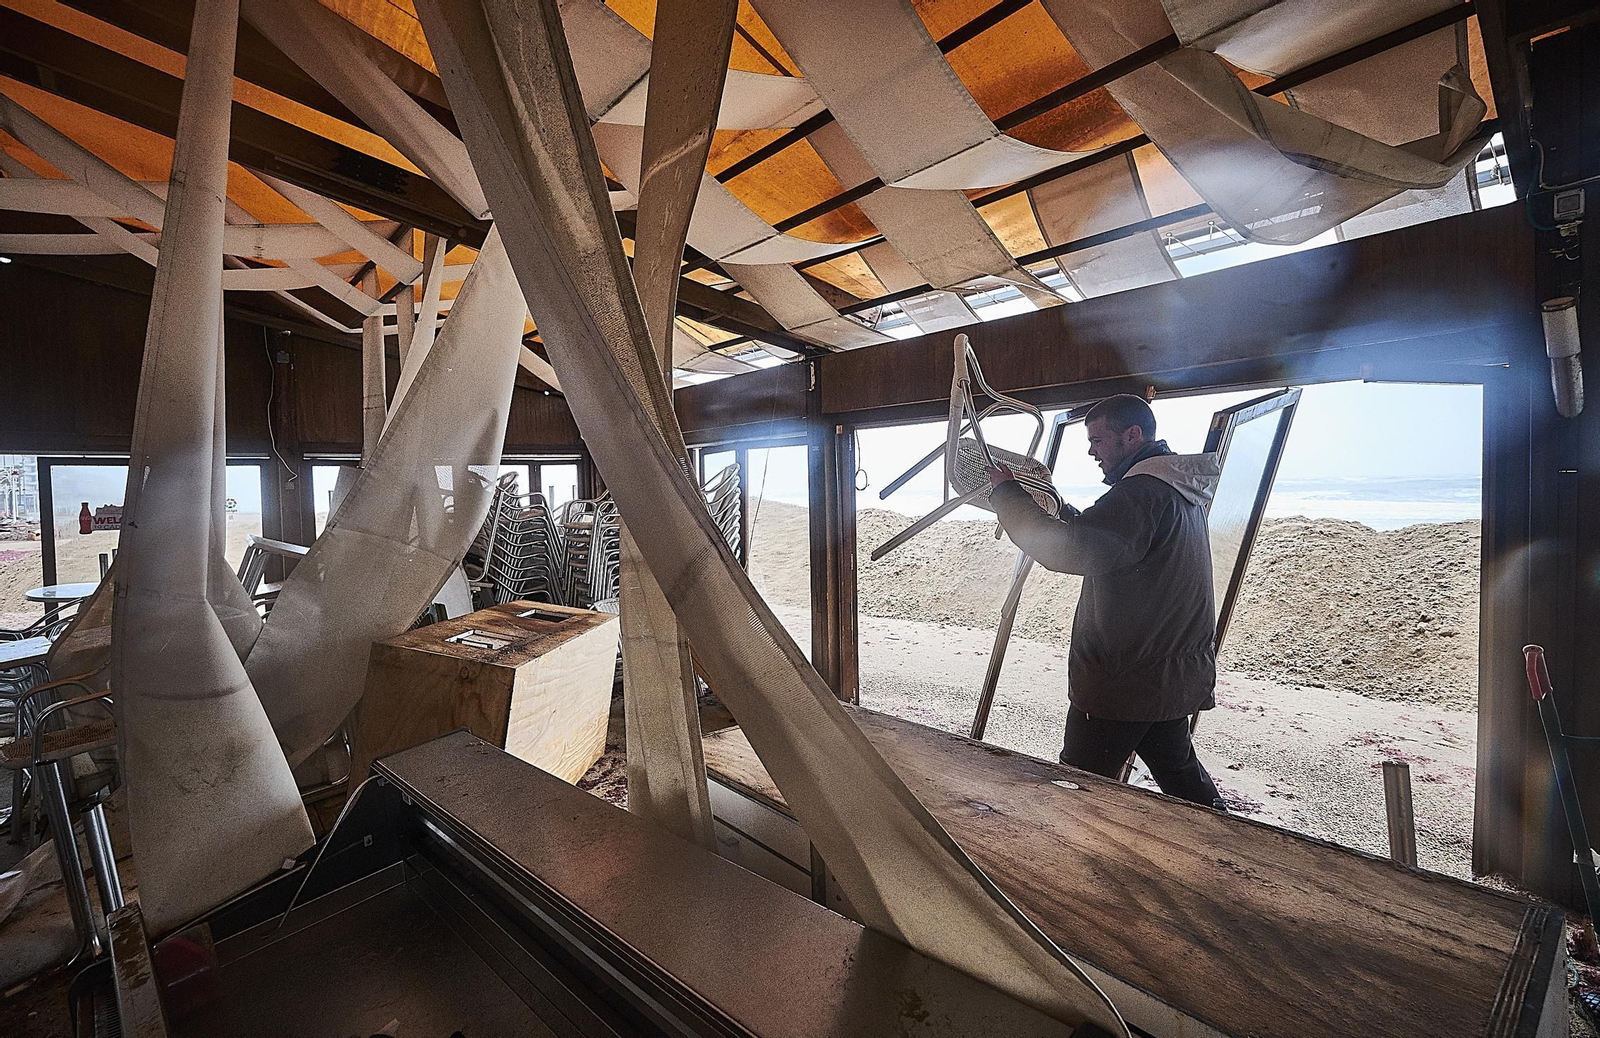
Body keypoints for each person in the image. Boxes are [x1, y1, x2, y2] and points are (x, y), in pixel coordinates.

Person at [987, 394, 1225, 808]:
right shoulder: (1176, 489)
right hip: (1166, 673)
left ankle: (1065, 849)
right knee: (1182, 777)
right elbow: (1106, 538)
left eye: (1097, 440)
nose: (1091, 451)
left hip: (1125, 680)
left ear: (1132, 435)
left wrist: (1007, 496)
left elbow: (1070, 551)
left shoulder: (1140, 493)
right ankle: (1228, 840)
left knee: (1076, 786)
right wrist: (1058, 508)